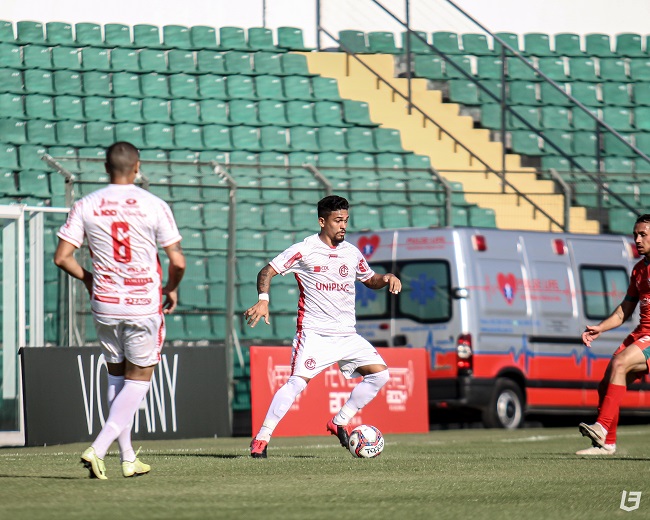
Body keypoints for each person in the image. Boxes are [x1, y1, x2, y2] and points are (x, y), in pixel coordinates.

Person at [54, 141, 185, 479]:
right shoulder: (154, 205)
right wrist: (171, 287)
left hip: (106, 302)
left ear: (105, 167)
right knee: (139, 379)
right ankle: (98, 448)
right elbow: (178, 261)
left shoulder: (86, 204)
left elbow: (62, 257)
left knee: (116, 376)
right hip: (142, 302)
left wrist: (89, 279)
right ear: (137, 167)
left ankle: (128, 458)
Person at [244, 195, 402, 458]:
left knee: (380, 375)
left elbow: (369, 279)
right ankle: (262, 438)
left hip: (347, 335)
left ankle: (339, 421)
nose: (343, 226)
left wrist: (386, 277)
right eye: (338, 220)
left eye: (346, 220)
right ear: (322, 221)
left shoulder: (351, 252)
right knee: (295, 384)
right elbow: (267, 271)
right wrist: (263, 300)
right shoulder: (305, 250)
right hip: (315, 334)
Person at [577, 214, 650, 455]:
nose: (637, 240)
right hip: (641, 334)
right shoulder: (639, 270)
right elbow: (625, 309)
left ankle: (601, 428)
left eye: (643, 235)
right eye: (635, 235)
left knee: (620, 363)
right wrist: (600, 327)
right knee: (606, 384)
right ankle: (607, 443)